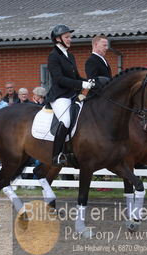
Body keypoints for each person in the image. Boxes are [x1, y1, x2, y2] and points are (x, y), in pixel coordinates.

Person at [47, 24, 93, 166]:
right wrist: (81, 85)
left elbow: (76, 77)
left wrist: (88, 82)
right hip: (60, 96)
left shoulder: (70, 55)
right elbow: (59, 79)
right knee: (66, 120)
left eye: (70, 37)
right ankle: (56, 155)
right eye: (67, 37)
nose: (70, 40)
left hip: (72, 95)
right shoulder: (53, 56)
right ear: (58, 39)